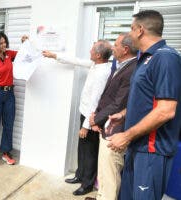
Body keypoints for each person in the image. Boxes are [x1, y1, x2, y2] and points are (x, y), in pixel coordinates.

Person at [106, 10, 181, 200]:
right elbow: (145, 100)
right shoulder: (145, 58)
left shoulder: (165, 58)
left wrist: (126, 135)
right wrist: (123, 115)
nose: (129, 34)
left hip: (151, 151)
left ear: (140, 30)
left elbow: (166, 111)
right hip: (136, 147)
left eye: (131, 29)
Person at [43, 40, 112, 196]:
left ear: (99, 55)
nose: (89, 51)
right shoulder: (96, 65)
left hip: (91, 119)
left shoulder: (103, 72)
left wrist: (86, 125)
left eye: (92, 49)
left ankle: (87, 184)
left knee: (90, 152)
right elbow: (77, 61)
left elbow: (95, 101)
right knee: (82, 148)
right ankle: (79, 175)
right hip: (85, 113)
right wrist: (54, 55)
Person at [85, 33, 137, 200]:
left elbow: (118, 103)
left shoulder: (131, 69)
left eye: (116, 45)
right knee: (104, 170)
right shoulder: (120, 65)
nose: (113, 49)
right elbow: (108, 96)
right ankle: (101, 196)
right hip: (107, 125)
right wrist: (98, 116)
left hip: (116, 129)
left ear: (125, 49)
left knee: (110, 173)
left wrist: (96, 118)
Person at [0, 32, 27, 166]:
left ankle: (6, 152)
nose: (4, 45)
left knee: (9, 124)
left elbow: (23, 54)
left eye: (5, 42)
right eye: (1, 43)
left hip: (9, 94)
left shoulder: (9, 55)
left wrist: (24, 42)